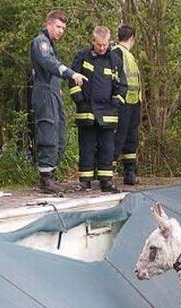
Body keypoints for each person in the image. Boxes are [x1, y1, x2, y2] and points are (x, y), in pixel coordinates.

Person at [30, 10, 88, 193]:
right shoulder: (41, 43)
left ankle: (51, 175)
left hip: (53, 93)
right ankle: (46, 180)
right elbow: (49, 63)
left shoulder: (51, 45)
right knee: (48, 133)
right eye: (58, 26)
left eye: (63, 28)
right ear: (49, 24)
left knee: (60, 134)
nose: (61, 31)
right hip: (44, 93)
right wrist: (71, 73)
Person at [68, 26, 127, 193]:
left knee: (107, 148)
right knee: (86, 146)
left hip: (108, 113)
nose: (102, 48)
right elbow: (72, 80)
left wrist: (116, 101)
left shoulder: (115, 60)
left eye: (105, 45)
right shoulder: (82, 56)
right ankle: (85, 181)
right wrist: (79, 99)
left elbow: (122, 85)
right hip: (86, 111)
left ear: (109, 42)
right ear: (92, 41)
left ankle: (106, 182)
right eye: (99, 44)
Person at [112, 24, 143, 185]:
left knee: (131, 139)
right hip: (123, 103)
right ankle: (107, 174)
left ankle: (129, 173)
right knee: (119, 138)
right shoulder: (117, 53)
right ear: (132, 38)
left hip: (133, 102)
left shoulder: (128, 55)